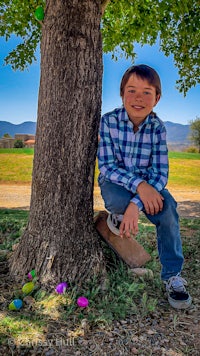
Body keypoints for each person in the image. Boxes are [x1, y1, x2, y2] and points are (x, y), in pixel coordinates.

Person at [97, 64, 192, 309]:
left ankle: (172, 276)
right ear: (121, 94)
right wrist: (138, 187)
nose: (138, 98)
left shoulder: (158, 128)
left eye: (147, 92)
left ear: (157, 98)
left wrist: (138, 201)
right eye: (132, 90)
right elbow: (107, 166)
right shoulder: (108, 122)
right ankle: (119, 215)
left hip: (150, 186)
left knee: (168, 210)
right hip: (116, 181)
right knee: (117, 201)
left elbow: (160, 174)